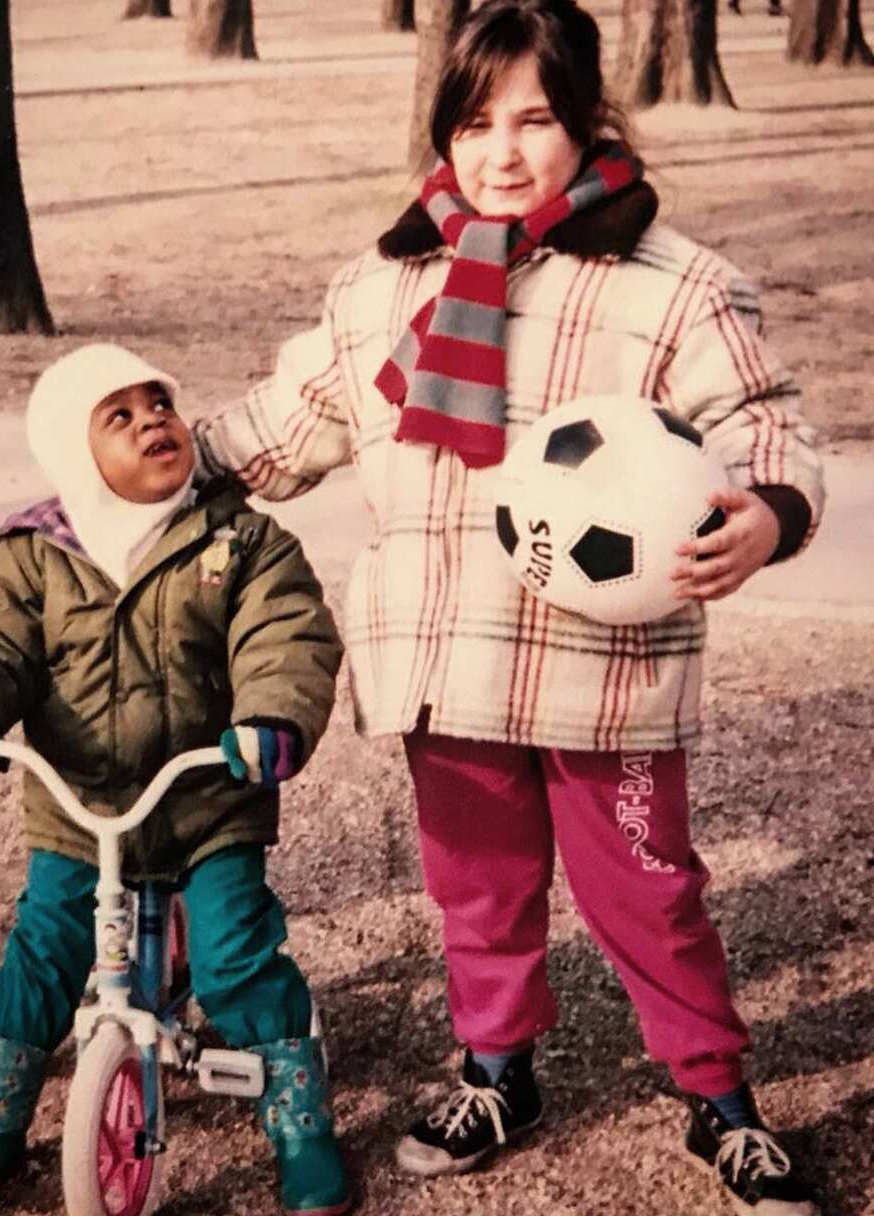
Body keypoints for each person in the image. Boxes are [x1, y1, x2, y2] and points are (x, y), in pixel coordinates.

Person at [191, 2, 826, 1211]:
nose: (502, 151)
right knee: (475, 881)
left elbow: (764, 423)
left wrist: (768, 511)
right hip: (447, 654)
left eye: (535, 119)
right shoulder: (388, 284)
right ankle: (495, 1067)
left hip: (610, 668)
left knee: (650, 885)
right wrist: (166, 464)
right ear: (444, 132)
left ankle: (717, 1094)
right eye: (475, 122)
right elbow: (291, 421)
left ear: (588, 121)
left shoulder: (671, 284)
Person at [0, 343, 352, 1216]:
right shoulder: (33, 555)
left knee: (235, 955)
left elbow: (285, 633)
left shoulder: (239, 538)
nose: (154, 419)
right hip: (81, 809)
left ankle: (300, 1123)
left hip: (205, 801)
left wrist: (270, 717)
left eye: (160, 402)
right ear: (79, 456)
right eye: (119, 416)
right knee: (44, 950)